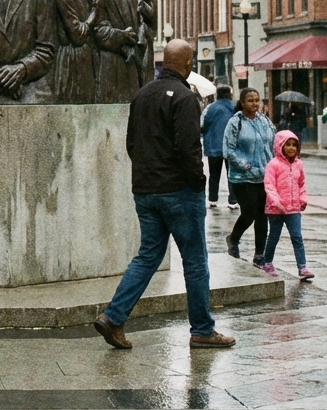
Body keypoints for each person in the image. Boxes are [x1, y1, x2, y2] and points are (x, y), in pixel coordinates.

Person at [92, 40, 235, 351]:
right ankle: (202, 329)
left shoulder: (141, 95)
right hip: (179, 192)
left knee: (147, 256)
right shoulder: (184, 98)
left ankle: (114, 317)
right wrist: (198, 182)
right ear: (185, 64)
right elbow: (188, 149)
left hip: (145, 191)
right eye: (192, 61)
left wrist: (147, 175)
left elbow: (131, 144)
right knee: (195, 261)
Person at [223, 88, 275, 270]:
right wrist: (244, 165)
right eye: (250, 100)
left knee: (263, 215)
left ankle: (259, 254)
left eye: (257, 100)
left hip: (264, 176)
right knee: (250, 212)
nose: (255, 104)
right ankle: (233, 238)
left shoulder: (265, 121)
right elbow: (228, 150)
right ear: (242, 102)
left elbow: (273, 143)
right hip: (242, 177)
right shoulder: (235, 122)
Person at [263, 131, 314, 281]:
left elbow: (301, 184)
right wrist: (276, 202)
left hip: (293, 209)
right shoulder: (273, 165)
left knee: (297, 237)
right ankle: (267, 262)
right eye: (288, 145)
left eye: (294, 145)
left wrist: (302, 199)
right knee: (274, 236)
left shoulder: (299, 164)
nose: (291, 148)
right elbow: (269, 185)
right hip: (275, 209)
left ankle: (302, 267)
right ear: (280, 146)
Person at [200, 85, 237, 209]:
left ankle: (212, 199)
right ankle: (233, 200)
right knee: (231, 174)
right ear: (230, 95)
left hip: (213, 146)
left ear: (217, 95)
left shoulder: (210, 108)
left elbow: (202, 124)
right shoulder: (235, 107)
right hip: (232, 146)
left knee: (214, 174)